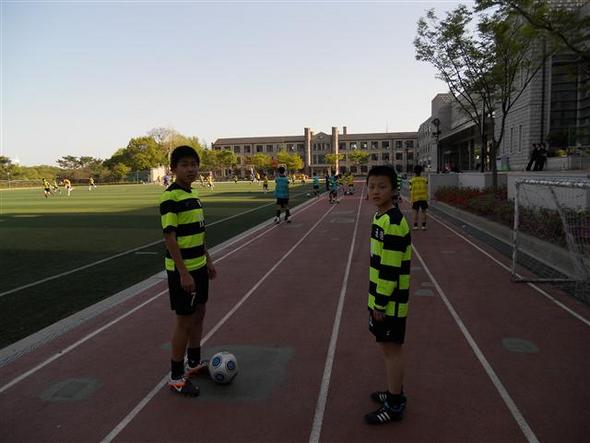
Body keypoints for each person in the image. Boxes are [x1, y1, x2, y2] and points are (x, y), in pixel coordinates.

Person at [160, 145, 217, 396]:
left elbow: (198, 233)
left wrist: (208, 260)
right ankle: (175, 377)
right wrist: (183, 273)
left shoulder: (193, 195)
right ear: (173, 169)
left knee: (200, 313)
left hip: (200, 266)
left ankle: (193, 364)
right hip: (183, 271)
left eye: (194, 164)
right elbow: (170, 238)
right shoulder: (170, 197)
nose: (191, 169)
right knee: (184, 321)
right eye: (184, 164)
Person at [365, 165, 411, 425]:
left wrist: (380, 302)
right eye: (371, 186)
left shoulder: (393, 222)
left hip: (389, 303)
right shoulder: (380, 217)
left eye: (382, 186)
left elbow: (390, 268)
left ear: (394, 189)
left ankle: (395, 404)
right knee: (386, 348)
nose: (375, 191)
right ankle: (394, 391)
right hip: (380, 298)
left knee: (391, 350)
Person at [409, 165, 429, 230]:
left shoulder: (412, 180)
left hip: (415, 198)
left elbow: (410, 189)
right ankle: (423, 226)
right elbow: (427, 185)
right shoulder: (424, 179)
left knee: (415, 212)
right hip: (423, 198)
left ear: (414, 172)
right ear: (421, 171)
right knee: (424, 211)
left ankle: (415, 226)